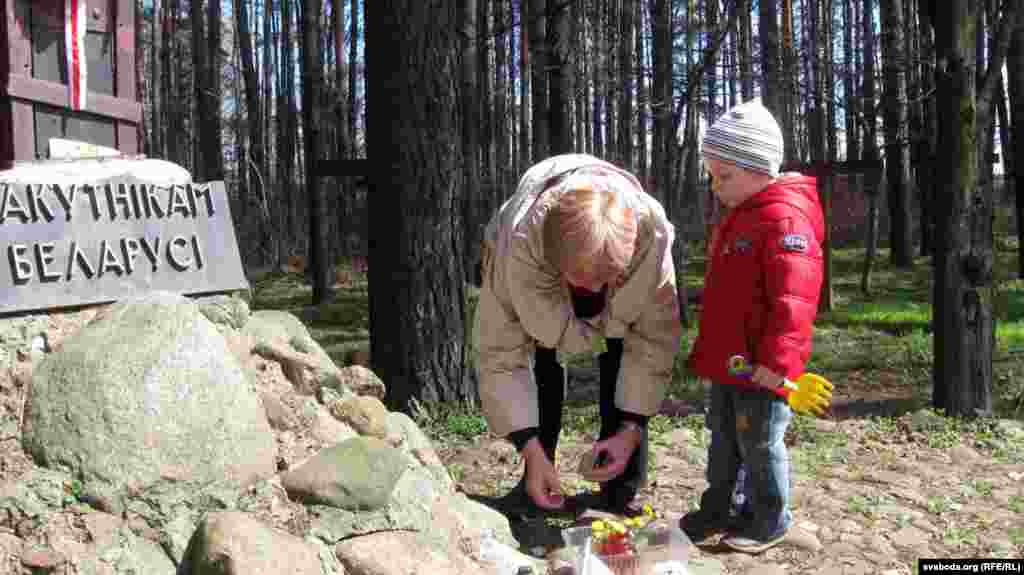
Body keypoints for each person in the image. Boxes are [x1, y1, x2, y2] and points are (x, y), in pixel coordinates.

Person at [474, 153, 682, 516]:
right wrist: (529, 448)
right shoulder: (516, 248)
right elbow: (500, 355)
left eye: (606, 278)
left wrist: (632, 426)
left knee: (623, 351)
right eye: (584, 281)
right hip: (536, 271)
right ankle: (536, 479)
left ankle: (621, 487)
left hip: (620, 286)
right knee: (542, 358)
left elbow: (654, 342)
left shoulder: (652, 242)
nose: (595, 288)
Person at [681, 99, 824, 553]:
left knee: (760, 442)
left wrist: (779, 366)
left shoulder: (784, 219)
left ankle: (769, 519)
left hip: (762, 367)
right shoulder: (743, 214)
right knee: (724, 437)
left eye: (725, 175)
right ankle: (718, 508)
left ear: (760, 167)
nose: (715, 185)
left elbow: (794, 303)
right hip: (733, 361)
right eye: (712, 174)